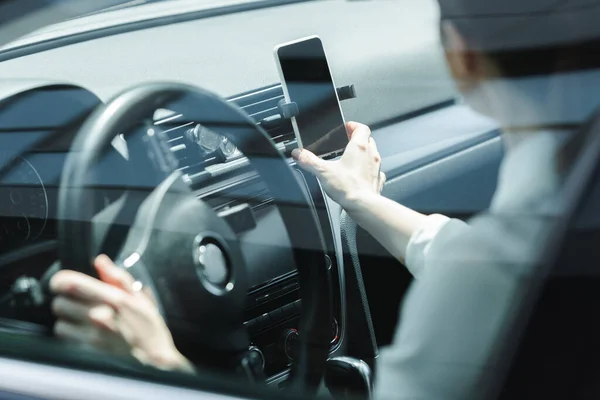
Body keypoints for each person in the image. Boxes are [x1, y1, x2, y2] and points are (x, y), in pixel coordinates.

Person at [49, 0, 600, 398]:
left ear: (462, 58)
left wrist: (160, 367)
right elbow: (475, 257)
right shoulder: (548, 229)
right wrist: (360, 199)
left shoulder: (489, 285)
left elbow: (484, 273)